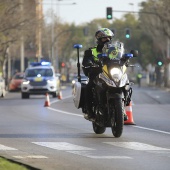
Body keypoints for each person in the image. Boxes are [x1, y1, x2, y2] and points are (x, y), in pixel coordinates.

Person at [82, 28, 114, 121]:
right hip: (97, 74)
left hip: (111, 74)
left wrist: (125, 59)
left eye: (109, 38)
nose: (107, 40)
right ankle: (90, 112)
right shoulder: (91, 51)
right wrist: (89, 63)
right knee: (88, 87)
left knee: (127, 85)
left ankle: (123, 108)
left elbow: (119, 57)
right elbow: (86, 60)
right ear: (99, 40)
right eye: (104, 38)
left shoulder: (114, 50)